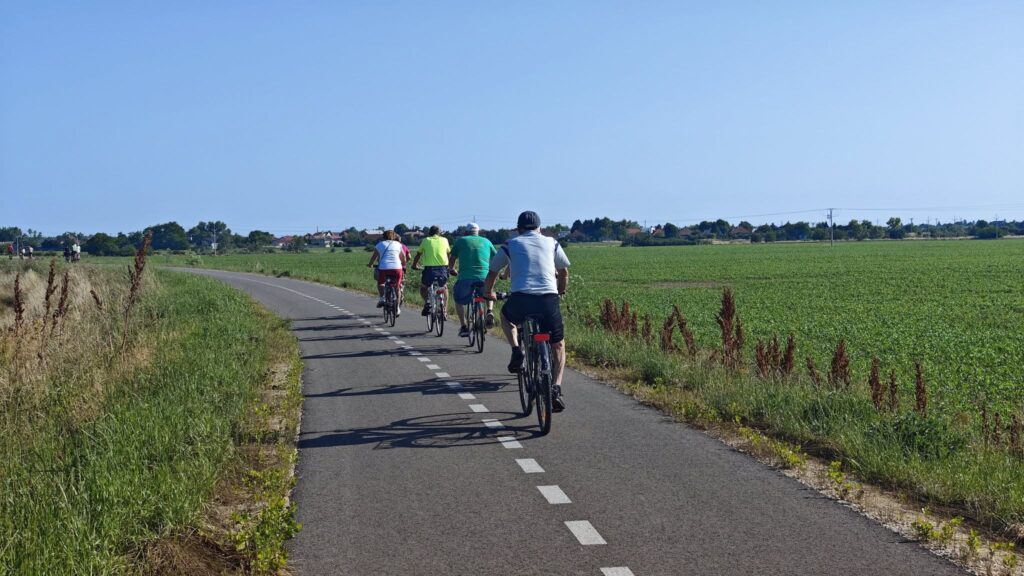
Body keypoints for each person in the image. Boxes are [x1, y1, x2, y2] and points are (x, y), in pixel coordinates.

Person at [484, 211, 570, 411]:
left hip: (521, 298)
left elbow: (493, 272)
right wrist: (560, 291)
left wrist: (488, 293)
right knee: (558, 344)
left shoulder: (510, 244)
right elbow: (564, 272)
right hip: (548, 299)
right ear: (540, 228)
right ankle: (556, 388)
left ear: (519, 229)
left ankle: (516, 350)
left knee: (506, 318)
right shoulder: (552, 243)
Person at [449, 223, 497, 337]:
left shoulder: (461, 241)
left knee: (458, 300)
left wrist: (451, 269)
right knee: (489, 292)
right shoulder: (486, 241)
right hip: (484, 276)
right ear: (478, 232)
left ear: (466, 232)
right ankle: (489, 311)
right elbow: (495, 258)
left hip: (465, 277)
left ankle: (464, 326)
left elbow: (452, 258)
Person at [411, 225, 451, 317]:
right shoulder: (445, 240)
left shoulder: (426, 240)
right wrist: (449, 266)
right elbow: (449, 254)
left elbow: (418, 254)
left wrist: (414, 265)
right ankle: (444, 310)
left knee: (423, 288)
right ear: (439, 233)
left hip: (429, 270)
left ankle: (427, 302)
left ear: (430, 232)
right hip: (442, 269)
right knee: (444, 287)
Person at [367, 230, 407, 315]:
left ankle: (382, 298)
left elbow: (373, 257)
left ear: (383, 237)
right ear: (394, 236)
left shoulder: (380, 244)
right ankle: (397, 308)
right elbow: (404, 258)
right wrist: (402, 265)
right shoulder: (398, 244)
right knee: (397, 287)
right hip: (397, 269)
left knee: (381, 283)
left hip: (384, 268)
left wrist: (370, 265)